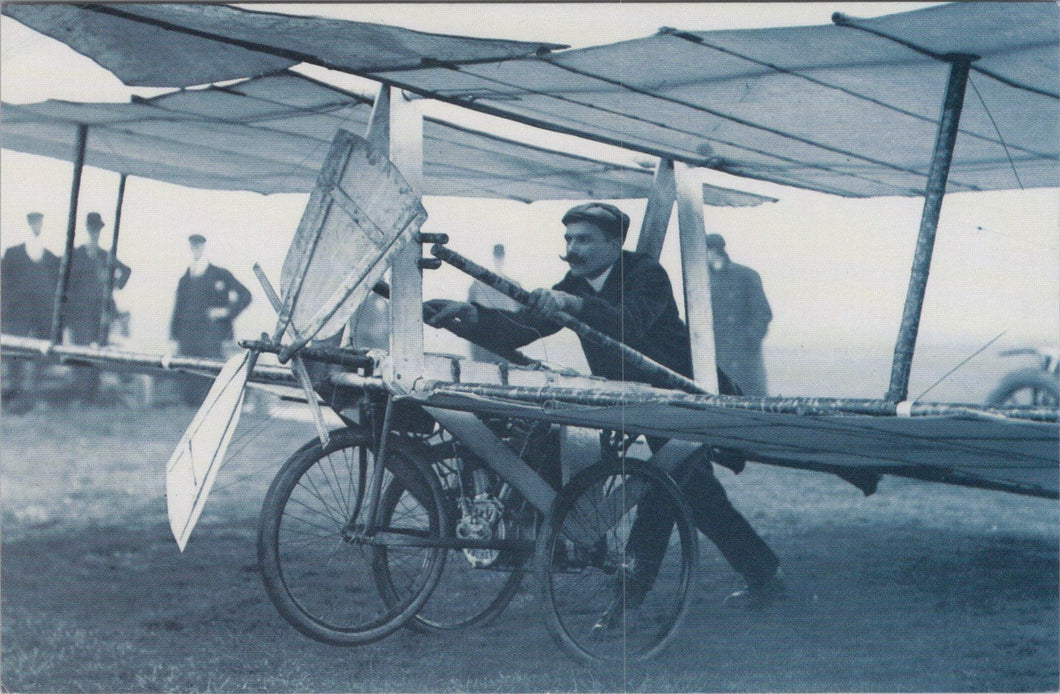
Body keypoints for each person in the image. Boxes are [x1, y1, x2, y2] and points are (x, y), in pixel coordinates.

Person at [424, 202, 782, 621]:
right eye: (568, 238)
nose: (573, 248)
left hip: (686, 397)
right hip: (639, 401)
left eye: (584, 239)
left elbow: (629, 322)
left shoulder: (646, 274)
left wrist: (572, 304)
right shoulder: (575, 283)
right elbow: (524, 327)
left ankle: (627, 601)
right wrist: (469, 315)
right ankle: (762, 574)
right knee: (696, 495)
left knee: (664, 490)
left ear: (615, 243)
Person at [169, 234, 252, 406]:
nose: (196, 249)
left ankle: (211, 406)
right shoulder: (185, 279)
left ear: (204, 247)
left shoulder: (220, 274)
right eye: (193, 246)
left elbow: (245, 295)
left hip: (211, 335)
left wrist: (226, 312)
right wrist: (174, 336)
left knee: (210, 370)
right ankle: (190, 407)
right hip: (187, 336)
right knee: (188, 371)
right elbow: (178, 309)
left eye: (199, 245)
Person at [65, 212, 131, 402]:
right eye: (92, 229)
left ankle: (92, 395)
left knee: (98, 352)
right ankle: (82, 395)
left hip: (101, 314)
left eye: (98, 230)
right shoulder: (76, 255)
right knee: (82, 352)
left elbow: (126, 270)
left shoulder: (104, 255)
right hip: (80, 315)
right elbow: (67, 285)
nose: (95, 233)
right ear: (87, 229)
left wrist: (114, 284)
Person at [1, 212, 61, 411]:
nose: (37, 226)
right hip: (19, 313)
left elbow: (57, 283)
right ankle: (13, 398)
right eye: (34, 222)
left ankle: (35, 396)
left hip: (42, 313)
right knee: (15, 352)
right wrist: (7, 308)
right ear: (28, 224)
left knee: (41, 353)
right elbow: (4, 282)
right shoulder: (13, 254)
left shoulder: (49, 256)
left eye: (40, 223)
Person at [704, 233, 772, 396]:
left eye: (705, 250)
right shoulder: (702, 279)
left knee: (752, 399)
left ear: (715, 251)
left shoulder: (746, 275)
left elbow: (762, 312)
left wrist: (750, 339)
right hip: (717, 352)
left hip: (744, 354)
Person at [465, 244, 521, 362]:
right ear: (503, 256)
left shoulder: (477, 284)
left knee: (485, 369)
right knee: (501, 370)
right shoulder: (514, 286)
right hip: (500, 339)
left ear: (493, 256)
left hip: (489, 339)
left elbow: (468, 314)